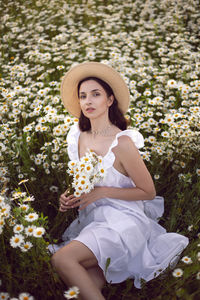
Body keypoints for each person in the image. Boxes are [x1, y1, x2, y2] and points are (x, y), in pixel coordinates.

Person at [50, 62, 189, 300]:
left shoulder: (122, 143)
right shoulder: (79, 137)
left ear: (110, 100)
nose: (88, 101)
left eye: (96, 94)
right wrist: (69, 196)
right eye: (83, 96)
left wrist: (103, 192)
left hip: (123, 221)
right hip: (94, 220)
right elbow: (84, 181)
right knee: (84, 285)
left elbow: (147, 191)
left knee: (62, 258)